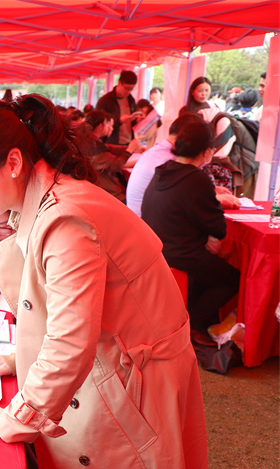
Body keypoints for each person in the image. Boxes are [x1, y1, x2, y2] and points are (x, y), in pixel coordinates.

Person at [0, 94, 211, 469]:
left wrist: (14, 418)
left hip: (129, 385)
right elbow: (57, 314)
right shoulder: (46, 199)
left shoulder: (66, 216)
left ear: (14, 162)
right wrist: (15, 359)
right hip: (114, 370)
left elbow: (69, 341)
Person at [141, 119, 240, 338]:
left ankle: (189, 318)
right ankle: (193, 323)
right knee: (232, 278)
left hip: (155, 248)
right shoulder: (196, 178)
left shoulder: (163, 170)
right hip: (180, 253)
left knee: (208, 270)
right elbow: (218, 227)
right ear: (207, 152)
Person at [127, 113, 240, 217]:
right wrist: (216, 198)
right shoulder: (170, 161)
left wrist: (212, 191)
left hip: (140, 221)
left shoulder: (157, 151)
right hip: (148, 225)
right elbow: (183, 196)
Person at [94, 69, 143, 149]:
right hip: (111, 144)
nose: (128, 91)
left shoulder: (131, 100)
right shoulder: (105, 101)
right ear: (119, 83)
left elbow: (131, 122)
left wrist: (137, 120)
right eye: (127, 88)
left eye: (131, 89)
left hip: (128, 143)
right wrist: (119, 121)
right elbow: (98, 125)